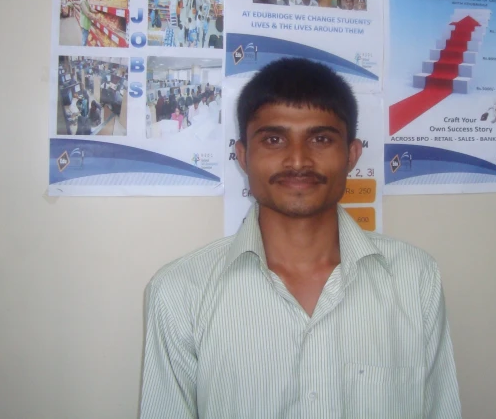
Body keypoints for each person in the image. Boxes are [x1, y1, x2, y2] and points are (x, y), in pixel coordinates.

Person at [139, 58, 462, 419]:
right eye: (274, 139)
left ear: (351, 155)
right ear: (243, 156)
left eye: (321, 138)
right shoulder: (182, 291)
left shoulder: (414, 278)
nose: (297, 160)